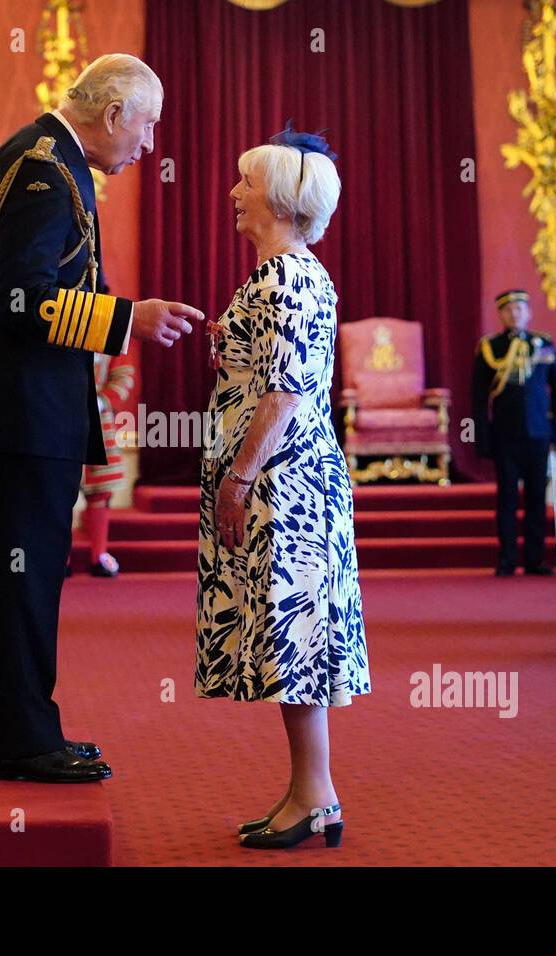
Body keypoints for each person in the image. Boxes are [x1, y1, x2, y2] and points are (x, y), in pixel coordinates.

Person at [0, 54, 203, 783]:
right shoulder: (45, 171)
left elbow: (56, 286)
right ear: (113, 114)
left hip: (28, 411)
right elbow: (21, 300)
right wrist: (126, 320)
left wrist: (123, 316)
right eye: (145, 127)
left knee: (33, 574)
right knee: (22, 577)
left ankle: (29, 730)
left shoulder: (56, 164)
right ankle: (22, 744)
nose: (148, 146)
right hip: (18, 416)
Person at [196, 125, 368, 851]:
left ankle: (316, 795)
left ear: (279, 197)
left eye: (246, 184)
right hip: (290, 477)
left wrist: (237, 478)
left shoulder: (286, 276)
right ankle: (310, 793)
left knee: (292, 638)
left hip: (281, 483)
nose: (235, 194)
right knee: (291, 638)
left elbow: (288, 390)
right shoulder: (292, 272)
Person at [472, 290, 556, 576]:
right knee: (507, 499)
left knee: (537, 497)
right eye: (509, 309)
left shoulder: (544, 344)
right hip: (505, 435)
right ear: (501, 314)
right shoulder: (491, 347)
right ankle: (507, 557)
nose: (515, 314)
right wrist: (482, 438)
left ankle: (535, 558)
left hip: (538, 433)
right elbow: (478, 396)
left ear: (528, 313)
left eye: (520, 308)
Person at [74, 353, 134, 577]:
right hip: (59, 415)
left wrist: (102, 401)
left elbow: (124, 375)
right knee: (58, 492)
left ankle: (98, 555)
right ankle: (61, 558)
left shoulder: (112, 334)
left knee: (100, 492)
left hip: (98, 420)